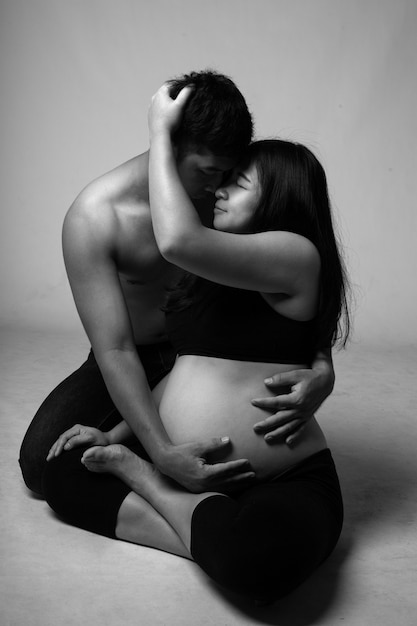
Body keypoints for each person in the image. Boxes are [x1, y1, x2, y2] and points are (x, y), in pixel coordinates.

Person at [42, 84, 351, 604]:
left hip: (279, 476)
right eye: (217, 177)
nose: (219, 191)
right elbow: (183, 367)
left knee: (258, 568)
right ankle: (206, 532)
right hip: (148, 391)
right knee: (57, 470)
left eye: (237, 181)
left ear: (276, 197)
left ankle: (158, 491)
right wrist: (120, 434)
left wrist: (323, 369)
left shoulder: (291, 253)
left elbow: (180, 242)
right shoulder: (191, 239)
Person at [19, 70, 336, 496]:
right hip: (138, 355)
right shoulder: (95, 217)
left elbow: (296, 280)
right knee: (43, 464)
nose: (218, 186)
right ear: (168, 145)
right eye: (208, 171)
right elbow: (116, 348)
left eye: (228, 173)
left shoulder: (224, 202)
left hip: (215, 348)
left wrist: (322, 365)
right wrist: (161, 451)